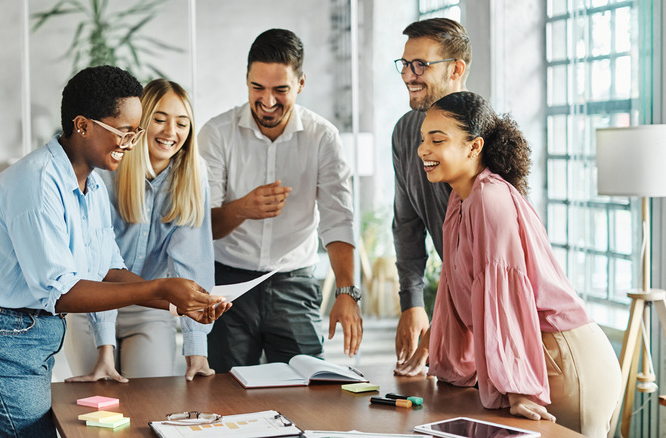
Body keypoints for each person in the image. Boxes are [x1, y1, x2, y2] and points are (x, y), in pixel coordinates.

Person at [0, 66, 227, 438]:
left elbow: (107, 270)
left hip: (21, 335)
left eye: (136, 132)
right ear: (83, 126)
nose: (131, 143)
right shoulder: (37, 183)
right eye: (124, 131)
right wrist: (160, 288)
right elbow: (61, 292)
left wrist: (178, 303)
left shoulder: (92, 187)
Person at [401, 91, 621, 436]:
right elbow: (454, 289)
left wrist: (517, 388)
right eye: (423, 139)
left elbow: (505, 299)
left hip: (562, 359)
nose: (423, 150)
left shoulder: (490, 198)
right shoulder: (461, 200)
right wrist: (446, 363)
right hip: (532, 357)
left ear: (474, 147)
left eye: (437, 140)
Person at [198, 28, 362, 373]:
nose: (268, 100)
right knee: (225, 390)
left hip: (294, 283)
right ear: (246, 80)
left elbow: (338, 219)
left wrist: (347, 291)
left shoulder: (323, 137)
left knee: (305, 386)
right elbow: (203, 227)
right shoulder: (216, 134)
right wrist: (243, 208)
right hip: (228, 283)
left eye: (280, 90)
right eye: (257, 87)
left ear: (300, 84)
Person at [64, 78, 227, 382]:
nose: (171, 132)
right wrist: (104, 346)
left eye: (182, 123)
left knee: (150, 399)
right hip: (93, 306)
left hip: (150, 309)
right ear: (139, 124)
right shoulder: (107, 169)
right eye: (160, 119)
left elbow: (192, 262)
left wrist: (197, 349)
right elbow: (97, 265)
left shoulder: (193, 174)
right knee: (97, 401)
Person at [391, 18, 472, 373]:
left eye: (421, 65)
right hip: (457, 306)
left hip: (496, 312)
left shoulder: (483, 137)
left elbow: (484, 261)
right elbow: (406, 225)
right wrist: (412, 302)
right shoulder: (405, 132)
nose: (408, 75)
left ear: (456, 70)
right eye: (405, 64)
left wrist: (440, 324)